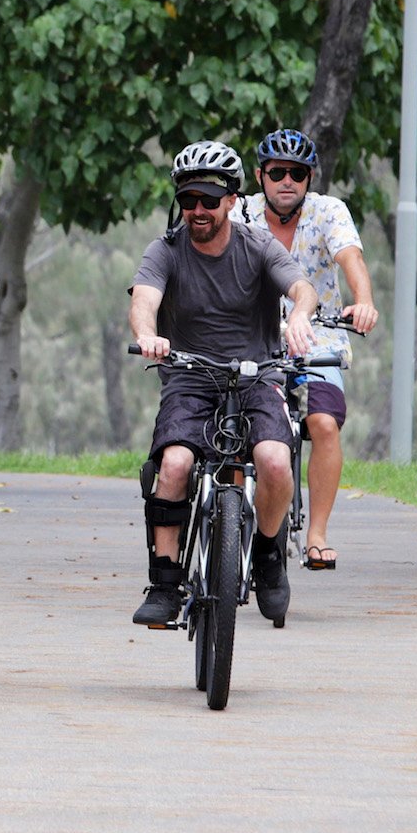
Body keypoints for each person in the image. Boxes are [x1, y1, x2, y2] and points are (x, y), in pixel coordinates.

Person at [129, 140, 316, 627]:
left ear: (232, 200)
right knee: (173, 465)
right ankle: (165, 584)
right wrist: (148, 336)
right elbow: (144, 301)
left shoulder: (257, 245)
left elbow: (302, 287)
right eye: (188, 199)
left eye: (209, 200)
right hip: (189, 378)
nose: (198, 210)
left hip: (257, 376)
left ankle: (270, 555)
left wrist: (298, 316)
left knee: (275, 459)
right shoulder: (165, 250)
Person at [231, 128, 378, 570]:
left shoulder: (329, 211)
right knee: (232, 426)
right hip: (251, 340)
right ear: (260, 176)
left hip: (318, 337)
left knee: (324, 423)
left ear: (310, 177)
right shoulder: (240, 213)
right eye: (277, 172)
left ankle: (316, 533)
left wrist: (364, 302)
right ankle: (231, 526)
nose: (287, 181)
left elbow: (352, 260)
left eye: (297, 172)